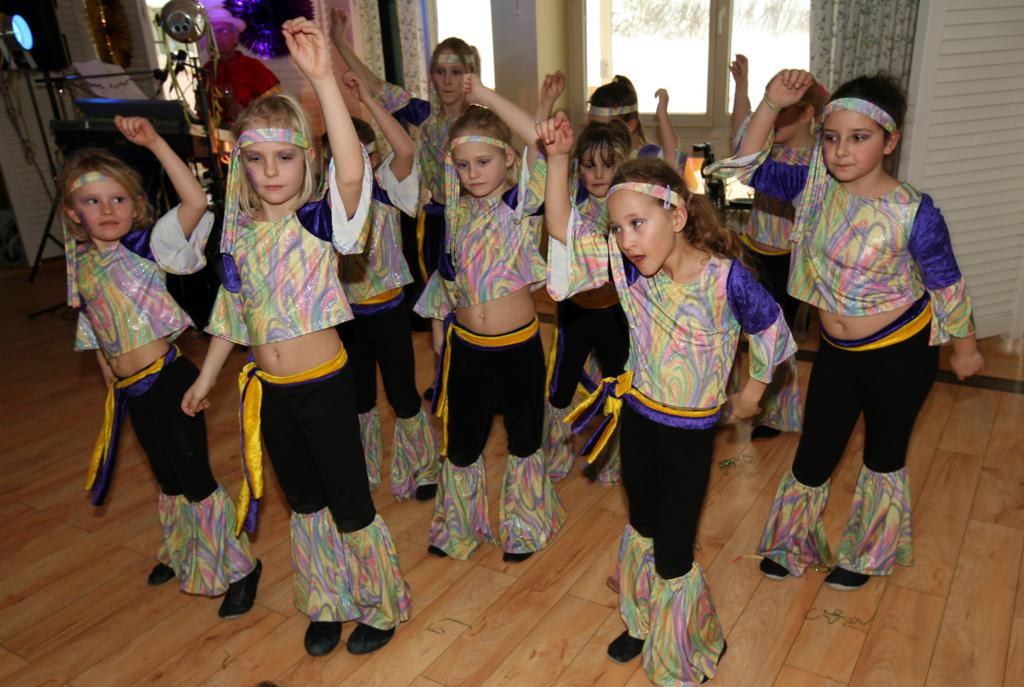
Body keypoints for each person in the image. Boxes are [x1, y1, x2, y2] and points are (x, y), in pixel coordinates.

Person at [540, 115, 798, 685]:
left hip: (690, 434)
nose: (627, 240)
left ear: (677, 216)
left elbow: (772, 330)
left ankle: (685, 641)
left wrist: (754, 390)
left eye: (638, 223)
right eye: (617, 229)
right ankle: (643, 616)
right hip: (638, 420)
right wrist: (558, 160)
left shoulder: (726, 279)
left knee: (675, 545)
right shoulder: (630, 269)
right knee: (642, 522)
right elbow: (561, 229)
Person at [181, 19, 410, 657]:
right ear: (240, 165)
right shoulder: (240, 231)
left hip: (325, 387)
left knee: (348, 500)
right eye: (255, 159)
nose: (269, 170)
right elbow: (233, 311)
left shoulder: (318, 222)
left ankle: (380, 603)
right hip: (270, 394)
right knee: (304, 502)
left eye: (284, 157)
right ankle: (327, 600)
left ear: (306, 160)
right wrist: (205, 378)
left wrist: (322, 81)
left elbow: (353, 173)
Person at [708, 70, 983, 591]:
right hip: (834, 350)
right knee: (815, 450)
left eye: (859, 138)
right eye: (831, 137)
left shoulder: (915, 211)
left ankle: (868, 553)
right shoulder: (811, 186)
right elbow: (739, 171)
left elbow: (946, 282)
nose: (840, 151)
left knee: (883, 454)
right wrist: (770, 104)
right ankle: (791, 542)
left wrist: (965, 349)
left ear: (889, 141)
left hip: (901, 356)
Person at [60, 118, 260, 617]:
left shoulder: (145, 248)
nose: (108, 209)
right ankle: (184, 547)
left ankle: (241, 567)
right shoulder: (81, 264)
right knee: (167, 478)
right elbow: (96, 329)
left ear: (136, 206)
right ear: (72, 213)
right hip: (132, 390)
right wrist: (112, 383)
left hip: (170, 381)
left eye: (118, 199)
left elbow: (194, 203)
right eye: (93, 201)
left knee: (194, 477)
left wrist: (153, 144)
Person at [417, 74, 564, 563]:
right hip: (467, 349)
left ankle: (524, 526)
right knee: (462, 441)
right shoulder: (456, 213)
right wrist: (439, 336)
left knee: (523, 439)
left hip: (517, 348)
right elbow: (446, 280)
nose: (472, 173)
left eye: (483, 162)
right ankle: (459, 526)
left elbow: (539, 141)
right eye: (462, 165)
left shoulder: (520, 207)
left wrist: (483, 95)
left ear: (508, 160)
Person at [334, 69, 441, 502]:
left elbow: (406, 148)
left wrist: (367, 100)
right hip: (348, 316)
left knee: (401, 393)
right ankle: (362, 468)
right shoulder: (326, 201)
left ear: (374, 156)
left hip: (389, 311)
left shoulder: (386, 186)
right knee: (359, 397)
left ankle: (423, 466)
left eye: (363, 155)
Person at [726, 54, 826, 439]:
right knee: (743, 333)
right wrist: (742, 86)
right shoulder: (766, 149)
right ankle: (739, 397)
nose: (773, 121)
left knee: (776, 337)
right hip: (753, 251)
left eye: (785, 113)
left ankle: (773, 413)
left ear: (806, 114)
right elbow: (741, 135)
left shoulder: (820, 160)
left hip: (789, 262)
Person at [542, 115, 633, 484]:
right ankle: (558, 449)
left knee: (618, 384)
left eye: (608, 165)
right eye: (589, 165)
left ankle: (612, 456)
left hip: (615, 314)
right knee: (560, 386)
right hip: (575, 313)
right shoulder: (570, 207)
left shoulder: (629, 209)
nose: (598, 174)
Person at [588, 75, 686, 172]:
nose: (597, 133)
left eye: (605, 128)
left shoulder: (646, 157)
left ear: (630, 125)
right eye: (592, 127)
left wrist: (662, 115)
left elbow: (674, 162)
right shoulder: (594, 158)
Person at [204, 7, 280, 125]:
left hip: (248, 128)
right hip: (217, 132)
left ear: (235, 38)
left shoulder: (252, 66)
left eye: (222, 31)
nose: (216, 37)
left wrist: (248, 110)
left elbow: (274, 98)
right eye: (212, 32)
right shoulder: (207, 69)